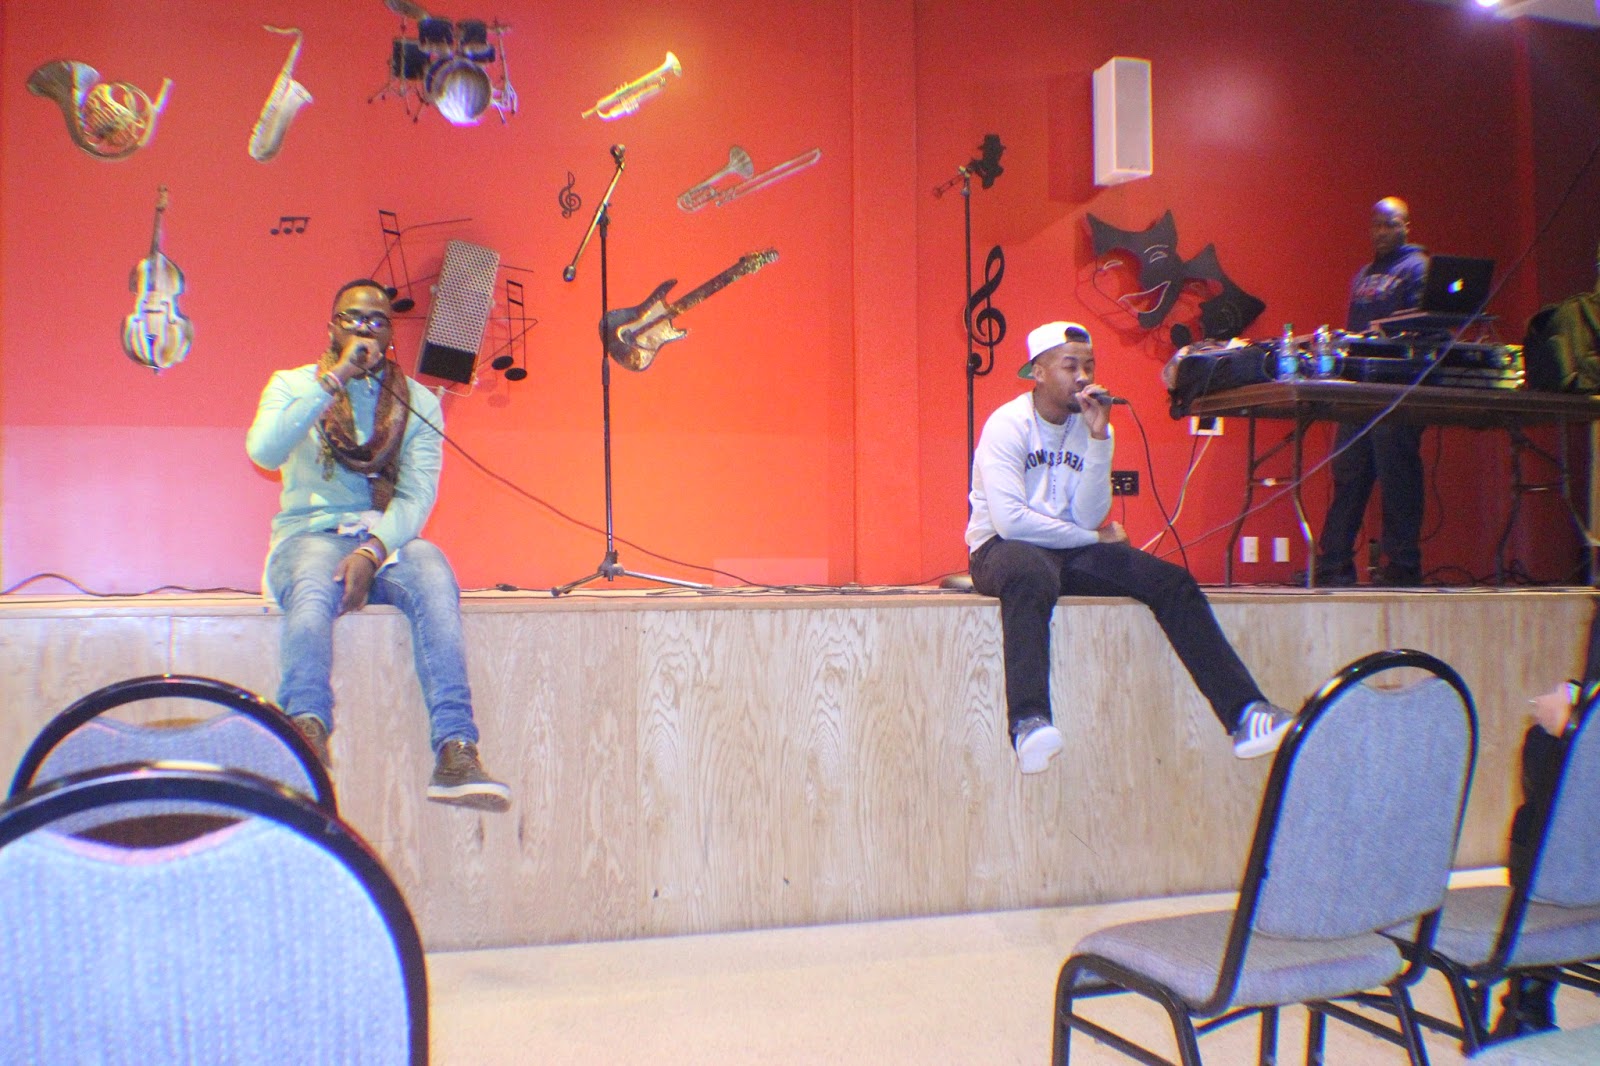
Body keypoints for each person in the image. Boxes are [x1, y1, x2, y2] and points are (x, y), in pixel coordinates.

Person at [966, 320, 1295, 774]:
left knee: (1171, 582)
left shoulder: (1092, 426)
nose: (1083, 377)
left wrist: (1099, 439)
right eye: (1069, 366)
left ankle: (1244, 714)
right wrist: (1093, 540)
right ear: (1037, 373)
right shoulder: (1007, 425)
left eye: (1089, 365)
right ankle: (1028, 722)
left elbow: (1088, 516)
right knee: (1030, 573)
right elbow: (1012, 522)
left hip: (1066, 549)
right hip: (1001, 548)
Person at [246, 278, 511, 811]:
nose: (365, 329)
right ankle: (305, 736)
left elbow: (416, 497)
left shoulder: (417, 403)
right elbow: (265, 452)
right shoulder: (293, 385)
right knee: (313, 586)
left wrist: (372, 550)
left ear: (390, 334)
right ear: (331, 327)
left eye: (377, 321)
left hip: (385, 537)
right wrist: (335, 379)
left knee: (434, 572)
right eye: (353, 318)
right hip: (310, 535)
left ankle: (456, 752)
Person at [1313, 197, 1430, 587]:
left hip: (1396, 386)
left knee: (1397, 475)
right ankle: (1334, 562)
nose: (1380, 232)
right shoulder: (1363, 274)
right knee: (1349, 472)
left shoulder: (1417, 268)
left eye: (1389, 225)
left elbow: (1422, 328)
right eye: (1376, 225)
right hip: (1360, 384)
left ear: (1406, 226)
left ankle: (1403, 564)